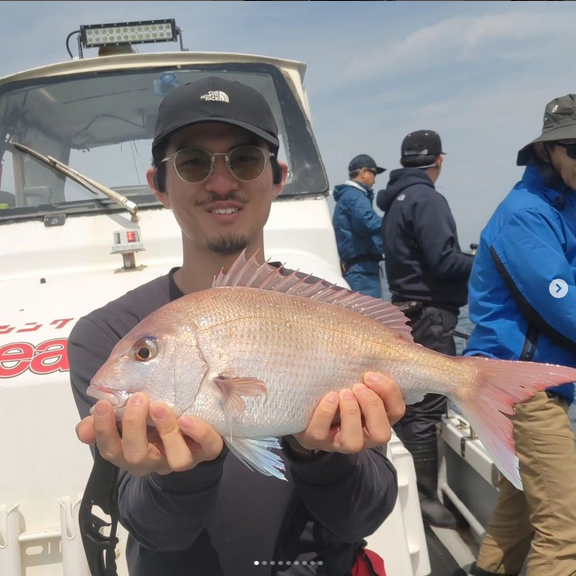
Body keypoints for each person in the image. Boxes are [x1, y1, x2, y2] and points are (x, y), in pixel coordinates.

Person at [69, 76, 406, 576]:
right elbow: (154, 532)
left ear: (278, 177)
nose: (221, 183)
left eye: (245, 159)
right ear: (159, 184)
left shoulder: (344, 315)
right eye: (193, 162)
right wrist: (178, 476)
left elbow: (364, 515)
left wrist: (322, 456)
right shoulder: (105, 334)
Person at [466, 95, 576, 576]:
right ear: (548, 151)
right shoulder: (526, 214)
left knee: (518, 511)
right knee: (566, 529)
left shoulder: (561, 204)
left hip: (535, 382)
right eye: (574, 148)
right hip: (523, 386)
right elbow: (561, 303)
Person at [376, 130, 473, 528]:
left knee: (411, 406)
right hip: (432, 314)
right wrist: (486, 261)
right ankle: (425, 500)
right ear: (439, 160)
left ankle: (410, 491)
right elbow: (445, 262)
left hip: (407, 311)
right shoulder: (426, 198)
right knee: (427, 409)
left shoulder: (395, 200)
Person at [332, 154, 386, 298]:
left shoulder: (348, 196)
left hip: (355, 269)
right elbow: (368, 223)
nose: (375, 178)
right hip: (362, 272)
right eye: (373, 173)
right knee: (370, 316)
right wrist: (394, 221)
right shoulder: (356, 196)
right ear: (363, 172)